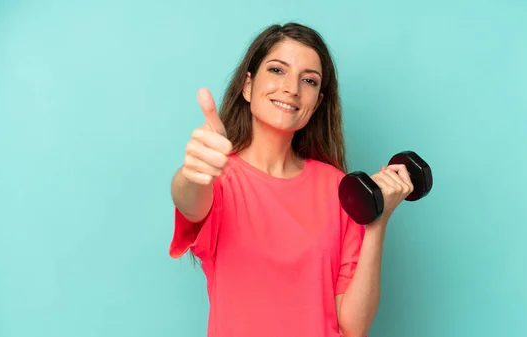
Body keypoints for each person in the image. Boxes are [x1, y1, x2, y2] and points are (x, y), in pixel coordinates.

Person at [169, 22, 414, 337]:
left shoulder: (338, 187)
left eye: (308, 80)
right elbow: (188, 200)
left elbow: (353, 325)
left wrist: (377, 222)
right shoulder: (219, 179)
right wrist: (193, 172)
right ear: (247, 85)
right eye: (277, 70)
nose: (292, 88)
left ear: (317, 102)